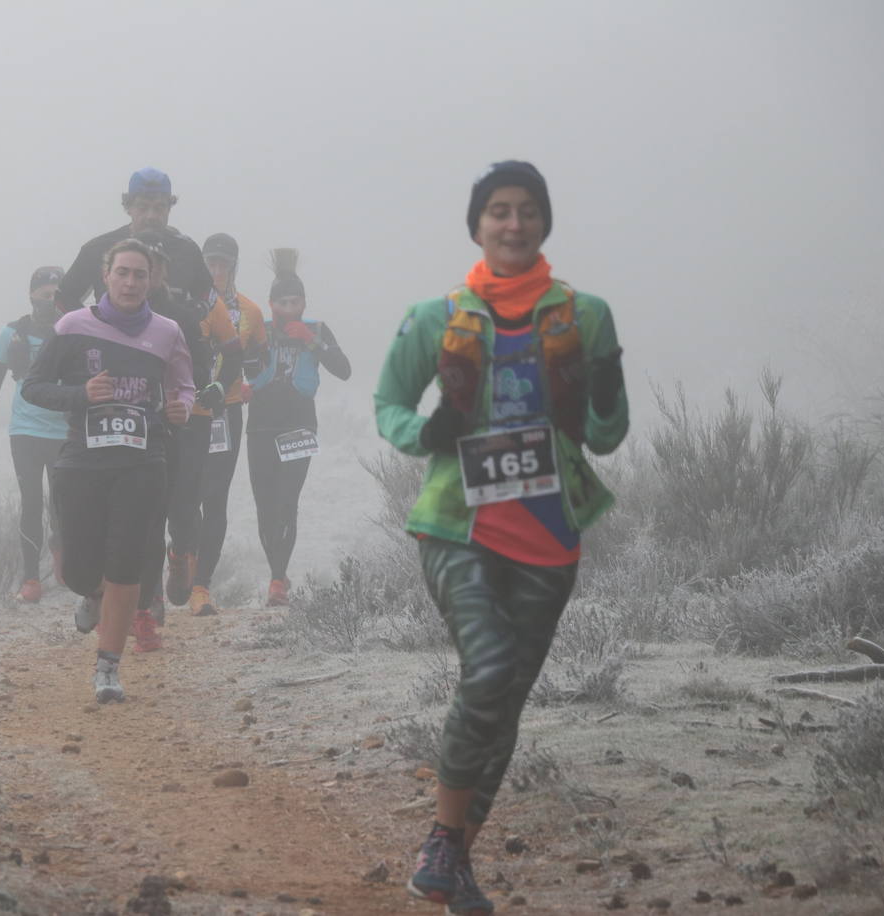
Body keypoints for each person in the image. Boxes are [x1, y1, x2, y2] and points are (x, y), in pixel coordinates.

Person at [374, 161, 629, 914]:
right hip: (459, 527)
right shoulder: (434, 317)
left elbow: (608, 438)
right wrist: (428, 432)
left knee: (505, 708)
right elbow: (388, 403)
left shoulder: (586, 316)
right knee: (486, 672)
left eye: (526, 211)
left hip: (551, 536)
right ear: (477, 225)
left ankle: (454, 863)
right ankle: (444, 842)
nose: (513, 224)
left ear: (544, 222)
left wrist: (605, 392)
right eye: (498, 212)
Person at [21, 239, 195, 703]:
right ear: (106, 275)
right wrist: (81, 395)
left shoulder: (168, 332)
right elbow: (33, 388)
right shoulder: (73, 325)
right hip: (83, 457)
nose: (131, 282)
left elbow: (184, 387)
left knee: (125, 563)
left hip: (143, 459)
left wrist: (182, 409)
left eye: (140, 274)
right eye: (123, 272)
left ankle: (108, 669)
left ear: (152, 280)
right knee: (77, 570)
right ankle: (91, 592)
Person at [128, 230, 237, 634]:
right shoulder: (116, 313)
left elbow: (213, 361)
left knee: (186, 498)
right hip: (140, 419)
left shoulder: (190, 312)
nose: (142, 278)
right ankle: (150, 597)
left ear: (164, 274)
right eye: (137, 271)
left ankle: (182, 551)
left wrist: (199, 394)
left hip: (191, 416)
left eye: (151, 271)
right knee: (146, 503)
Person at [246, 249, 350, 607]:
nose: (288, 309)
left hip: (300, 426)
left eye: (295, 302)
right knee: (264, 503)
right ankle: (278, 570)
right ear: (270, 303)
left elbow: (344, 369)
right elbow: (236, 366)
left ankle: (277, 580)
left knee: (287, 501)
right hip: (259, 426)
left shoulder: (317, 330)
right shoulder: (258, 328)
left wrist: (310, 340)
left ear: (304, 302)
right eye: (281, 303)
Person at [173, 233, 268, 616]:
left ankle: (201, 587)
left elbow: (259, 363)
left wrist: (250, 383)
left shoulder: (250, 311)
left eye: (223, 264)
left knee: (215, 496)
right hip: (183, 411)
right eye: (209, 263)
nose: (216, 270)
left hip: (225, 411)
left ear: (233, 267)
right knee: (184, 495)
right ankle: (181, 554)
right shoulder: (180, 304)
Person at [0, 266, 69, 604]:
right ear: (32, 295)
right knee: (30, 502)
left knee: (62, 503)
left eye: (58, 295)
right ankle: (30, 580)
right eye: (45, 294)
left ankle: (61, 550)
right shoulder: (12, 333)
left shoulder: (75, 331)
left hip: (64, 430)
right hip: (25, 430)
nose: (51, 300)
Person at [54, 168, 211, 314]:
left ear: (169, 208)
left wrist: (189, 320)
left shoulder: (187, 250)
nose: (151, 216)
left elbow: (208, 294)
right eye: (143, 207)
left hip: (170, 340)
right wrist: (93, 326)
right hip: (111, 341)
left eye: (159, 208)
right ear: (128, 207)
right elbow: (63, 297)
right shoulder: (97, 249)